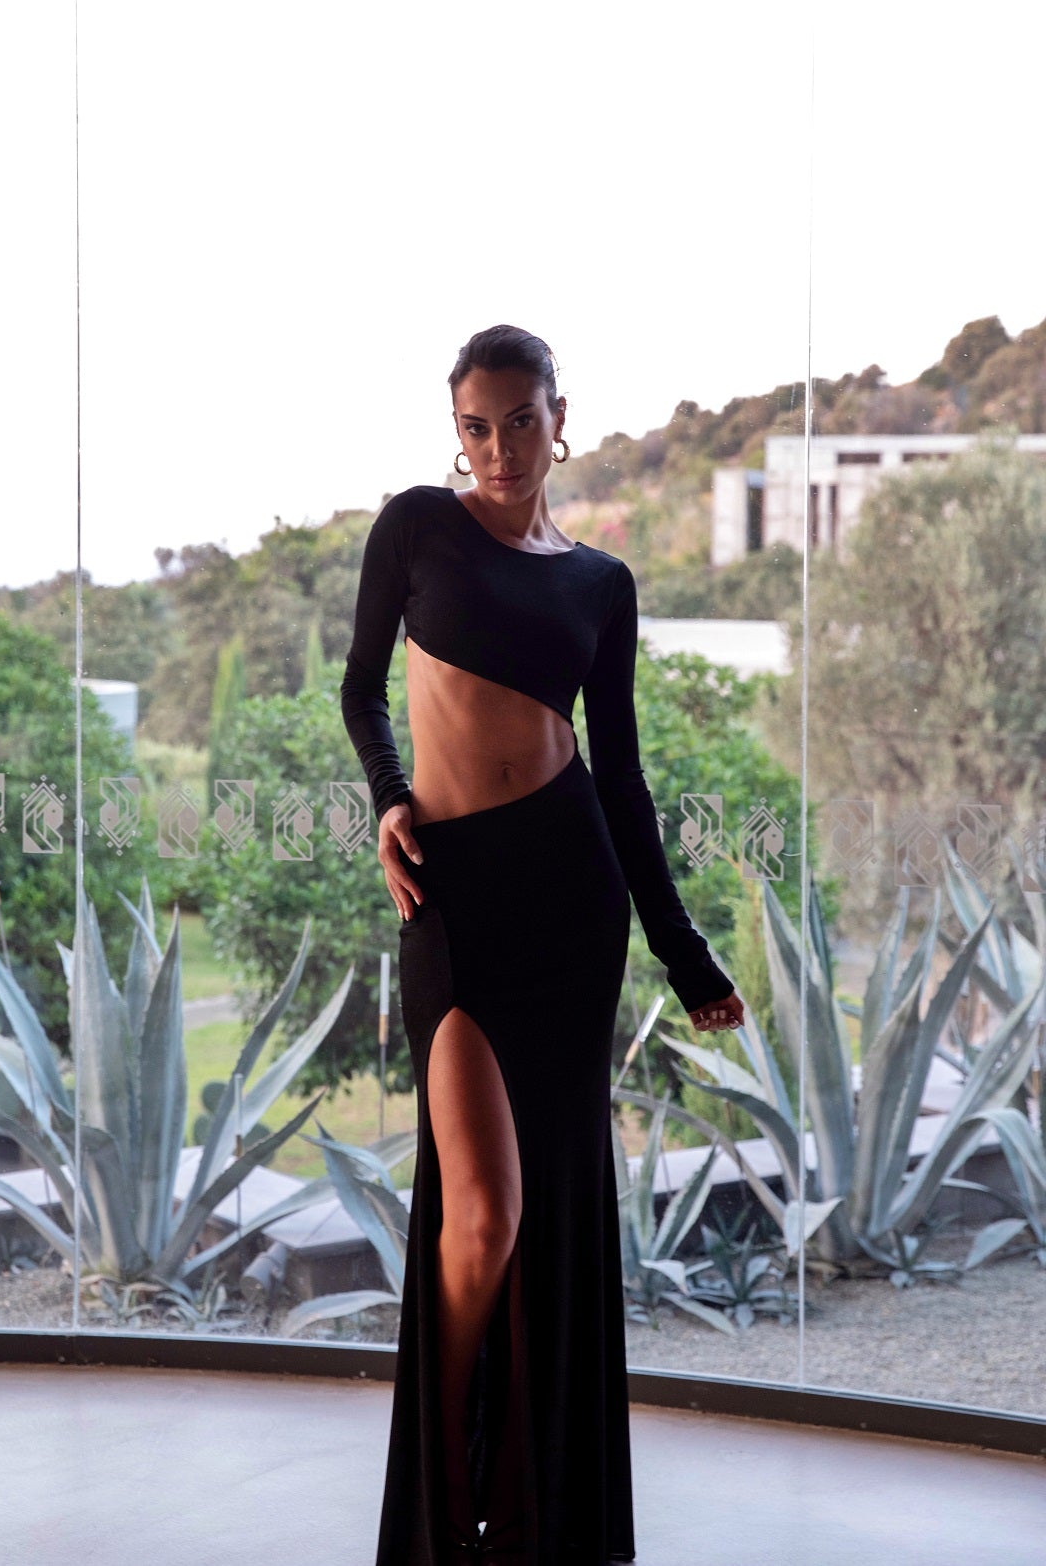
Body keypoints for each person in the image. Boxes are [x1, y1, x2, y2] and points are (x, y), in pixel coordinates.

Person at [340, 325, 744, 1566]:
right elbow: (360, 688)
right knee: (484, 1220)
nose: (500, 447)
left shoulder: (600, 583)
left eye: (521, 421)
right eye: (477, 426)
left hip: (574, 900)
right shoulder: (417, 527)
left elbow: (622, 780)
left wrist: (682, 950)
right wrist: (388, 799)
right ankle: (447, 1499)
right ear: (455, 431)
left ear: (559, 419)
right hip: (455, 898)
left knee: (549, 1210)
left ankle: (523, 1512)